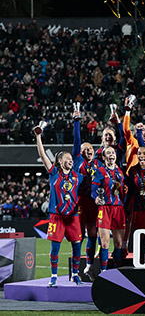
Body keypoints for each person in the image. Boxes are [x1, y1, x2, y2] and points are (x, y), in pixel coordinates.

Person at [34, 118, 84, 287]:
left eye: (71, 158)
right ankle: (54, 276)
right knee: (55, 248)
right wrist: (38, 137)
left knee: (77, 246)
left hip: (73, 216)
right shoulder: (54, 172)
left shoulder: (77, 174)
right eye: (68, 158)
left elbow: (77, 144)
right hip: (57, 216)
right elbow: (42, 155)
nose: (71, 160)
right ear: (60, 161)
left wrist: (77, 121)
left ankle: (75, 274)